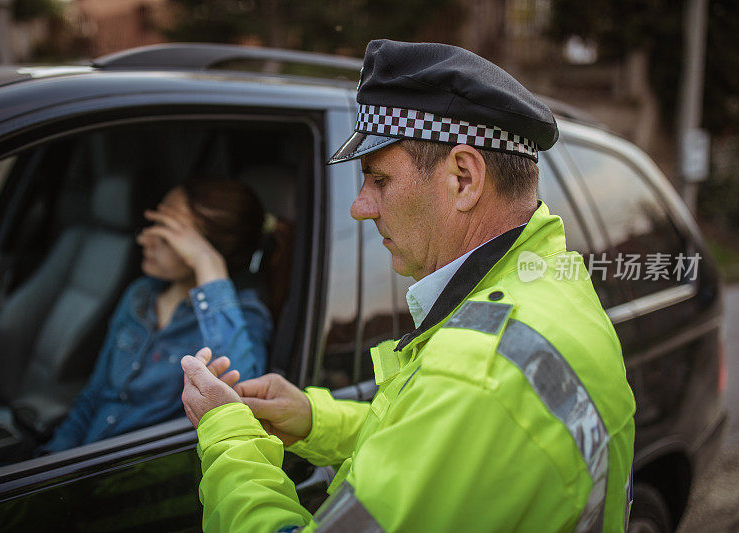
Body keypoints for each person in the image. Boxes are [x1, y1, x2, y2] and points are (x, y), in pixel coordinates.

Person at [180, 40, 636, 532]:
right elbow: (447, 452)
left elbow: (460, 416)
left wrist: (227, 434)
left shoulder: (476, 375)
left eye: (378, 179)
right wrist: (316, 419)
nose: (360, 206)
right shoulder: (547, 282)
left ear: (464, 178)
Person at [42, 178, 273, 453]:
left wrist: (207, 263)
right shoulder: (140, 295)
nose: (143, 238)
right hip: (82, 459)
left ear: (206, 247)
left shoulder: (243, 315)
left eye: (167, 232)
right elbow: (94, 396)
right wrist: (52, 458)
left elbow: (240, 398)